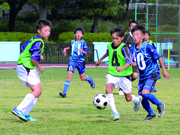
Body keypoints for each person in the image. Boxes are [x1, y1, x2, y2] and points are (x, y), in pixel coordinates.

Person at [95, 26, 142, 121]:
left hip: (124, 75)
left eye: (117, 38)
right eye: (113, 38)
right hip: (112, 73)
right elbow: (108, 52)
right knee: (108, 89)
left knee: (128, 98)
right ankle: (115, 113)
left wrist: (122, 68)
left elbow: (129, 61)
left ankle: (137, 100)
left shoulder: (124, 48)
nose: (115, 40)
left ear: (122, 38)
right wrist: (100, 60)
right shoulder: (109, 45)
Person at [12, 19, 52, 122]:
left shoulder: (34, 39)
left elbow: (25, 48)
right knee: (37, 91)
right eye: (45, 30)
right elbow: (33, 58)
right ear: (39, 30)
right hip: (26, 66)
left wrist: (39, 55)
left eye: (49, 31)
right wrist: (40, 67)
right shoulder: (39, 42)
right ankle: (19, 109)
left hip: (24, 65)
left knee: (39, 91)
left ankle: (26, 113)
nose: (48, 33)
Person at [131, 25, 170, 121]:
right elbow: (137, 61)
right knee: (142, 97)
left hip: (152, 73)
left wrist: (164, 70)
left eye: (137, 34)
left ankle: (160, 104)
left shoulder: (147, 46)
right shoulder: (133, 48)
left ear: (143, 36)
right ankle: (151, 114)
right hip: (143, 76)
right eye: (133, 35)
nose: (135, 37)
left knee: (145, 94)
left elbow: (159, 57)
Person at [59, 27, 95, 98]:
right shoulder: (72, 41)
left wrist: (83, 51)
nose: (78, 34)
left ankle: (89, 79)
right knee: (69, 75)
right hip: (72, 61)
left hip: (80, 62)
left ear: (82, 35)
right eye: (77, 33)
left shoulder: (83, 42)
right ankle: (64, 92)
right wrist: (65, 48)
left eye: (80, 33)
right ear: (74, 35)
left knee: (82, 78)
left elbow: (87, 53)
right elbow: (71, 47)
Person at [118, 20, 139, 95]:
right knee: (126, 74)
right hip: (126, 61)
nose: (133, 27)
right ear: (129, 27)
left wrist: (136, 61)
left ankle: (123, 86)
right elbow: (121, 47)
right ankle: (121, 88)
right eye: (132, 26)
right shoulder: (126, 36)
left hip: (135, 61)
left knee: (135, 75)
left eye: (135, 26)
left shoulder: (139, 37)